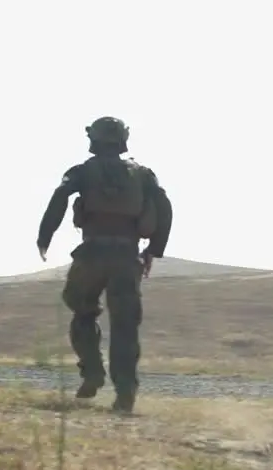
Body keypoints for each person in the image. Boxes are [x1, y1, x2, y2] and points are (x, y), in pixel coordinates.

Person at [36, 116, 173, 413]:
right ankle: (125, 395)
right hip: (126, 256)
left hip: (92, 253)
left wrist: (44, 236)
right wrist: (153, 250)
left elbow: (61, 195)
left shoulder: (83, 172)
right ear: (123, 140)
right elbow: (164, 206)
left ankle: (93, 372)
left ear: (94, 140)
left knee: (80, 308)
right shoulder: (143, 174)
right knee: (125, 326)